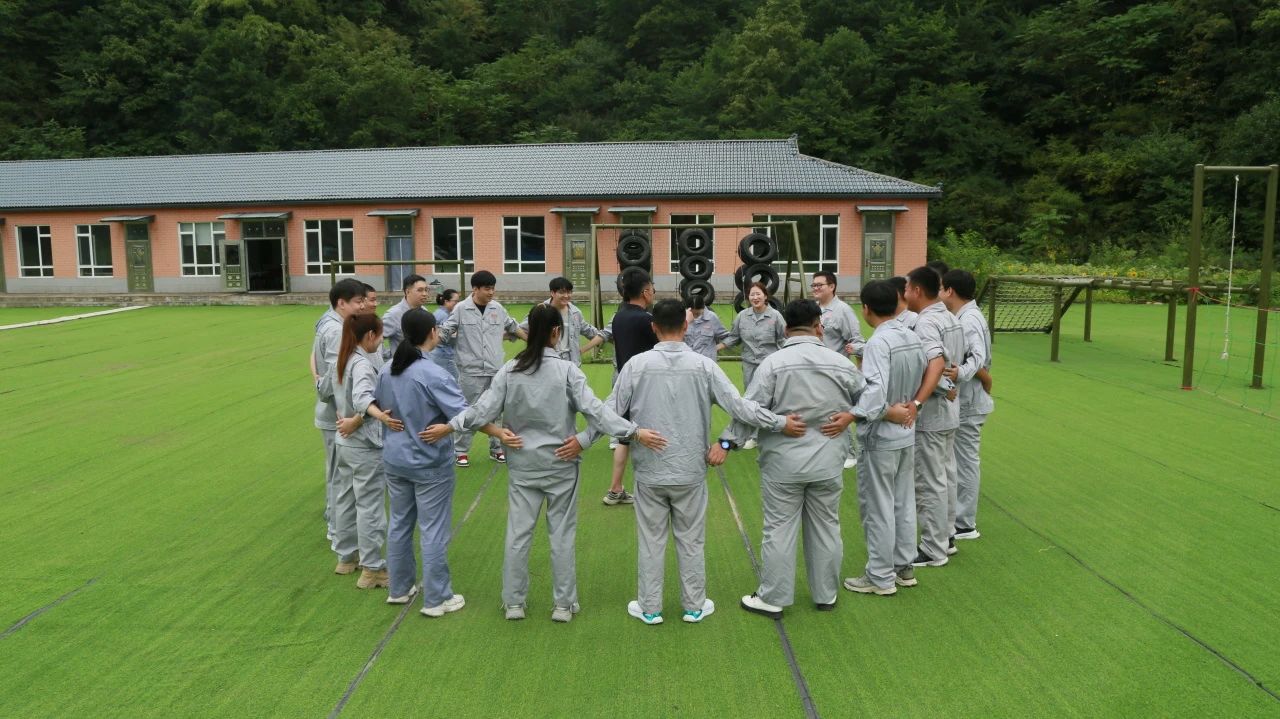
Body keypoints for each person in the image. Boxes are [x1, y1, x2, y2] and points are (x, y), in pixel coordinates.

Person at [564, 299, 805, 625]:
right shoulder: (703, 365)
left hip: (651, 470)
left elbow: (608, 411)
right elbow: (740, 407)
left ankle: (650, 607)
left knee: (651, 541)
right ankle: (694, 605)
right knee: (691, 539)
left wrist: (582, 440)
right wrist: (779, 422)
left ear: (654, 327)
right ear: (686, 325)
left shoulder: (636, 365)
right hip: (690, 469)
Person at [423, 305, 666, 622]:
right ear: (556, 332)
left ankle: (514, 602)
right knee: (562, 536)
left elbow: (480, 411)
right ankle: (563, 605)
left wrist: (450, 426)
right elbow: (597, 412)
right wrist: (634, 432)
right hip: (561, 462)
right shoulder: (566, 371)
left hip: (523, 463)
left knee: (518, 534)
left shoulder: (510, 370)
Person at [723, 299, 866, 618]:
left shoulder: (772, 364)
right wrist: (851, 416)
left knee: (779, 529)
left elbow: (749, 410)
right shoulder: (840, 363)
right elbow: (870, 397)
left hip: (783, 463)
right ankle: (826, 594)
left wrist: (727, 442)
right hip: (828, 460)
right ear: (819, 326)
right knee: (827, 526)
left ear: (785, 328)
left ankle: (773, 597)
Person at [375, 308, 514, 616]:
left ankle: (399, 588)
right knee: (433, 530)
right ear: (432, 332)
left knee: (399, 523)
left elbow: (380, 406)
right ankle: (437, 598)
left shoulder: (387, 369)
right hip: (428, 461)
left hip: (395, 459)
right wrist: (498, 432)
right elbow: (464, 414)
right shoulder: (433, 373)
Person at [835, 280, 928, 596]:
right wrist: (912, 405)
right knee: (903, 501)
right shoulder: (911, 335)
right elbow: (930, 373)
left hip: (881, 436)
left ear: (866, 308)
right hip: (906, 431)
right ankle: (903, 566)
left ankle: (880, 576)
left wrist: (853, 414)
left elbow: (874, 394)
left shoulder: (878, 342)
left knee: (878, 506)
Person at [332, 312, 402, 588]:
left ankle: (346, 557)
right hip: (363, 444)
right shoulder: (361, 364)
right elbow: (363, 398)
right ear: (370, 335)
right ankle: (373, 568)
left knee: (346, 499)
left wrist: (345, 415)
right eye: (381, 335)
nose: (382, 341)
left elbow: (325, 390)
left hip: (344, 443)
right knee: (370, 506)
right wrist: (366, 417)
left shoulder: (342, 358)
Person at [903, 266, 966, 568]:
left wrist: (932, 393)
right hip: (949, 412)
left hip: (932, 412)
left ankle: (933, 547)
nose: (904, 294)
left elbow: (936, 364)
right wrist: (951, 387)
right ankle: (947, 537)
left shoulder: (926, 322)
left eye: (906, 288)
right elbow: (955, 363)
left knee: (930, 481)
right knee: (946, 475)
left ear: (916, 290)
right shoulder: (950, 317)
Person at [438, 270, 528, 467]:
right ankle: (461, 451)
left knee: (497, 410)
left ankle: (497, 448)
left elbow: (513, 327)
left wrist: (532, 342)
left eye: (493, 288)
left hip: (496, 369)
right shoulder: (461, 309)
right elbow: (445, 331)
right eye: (487, 288)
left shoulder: (497, 308)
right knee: (468, 410)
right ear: (475, 289)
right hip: (471, 371)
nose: (491, 292)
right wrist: (428, 342)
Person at [312, 278, 367, 549]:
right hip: (337, 415)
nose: (362, 306)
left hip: (336, 413)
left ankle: (337, 526)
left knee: (339, 474)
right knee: (339, 476)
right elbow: (337, 376)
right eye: (358, 302)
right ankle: (336, 530)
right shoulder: (336, 330)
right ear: (341, 303)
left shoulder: (332, 322)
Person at [940, 270, 994, 541]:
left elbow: (977, 358)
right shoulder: (964, 315)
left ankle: (964, 523)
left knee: (965, 461)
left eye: (941, 288)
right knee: (961, 460)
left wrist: (960, 373)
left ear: (950, 291)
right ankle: (960, 518)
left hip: (970, 400)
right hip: (969, 397)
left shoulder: (969, 319)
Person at [601, 267, 658, 506]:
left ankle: (615, 488)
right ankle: (653, 491)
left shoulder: (619, 316)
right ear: (645, 292)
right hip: (647, 388)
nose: (653, 292)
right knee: (652, 437)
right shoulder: (646, 320)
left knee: (624, 437)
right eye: (652, 289)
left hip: (625, 385)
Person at [717, 282, 785, 449]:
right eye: (752, 295)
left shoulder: (775, 316)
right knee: (751, 401)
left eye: (758, 294)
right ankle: (754, 436)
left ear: (765, 296)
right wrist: (716, 348)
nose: (755, 297)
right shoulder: (742, 316)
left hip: (770, 365)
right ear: (748, 298)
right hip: (749, 365)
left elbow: (783, 340)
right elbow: (734, 337)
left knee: (772, 399)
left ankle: (774, 432)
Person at [809, 270, 866, 469]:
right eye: (813, 285)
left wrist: (858, 363)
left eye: (820, 285)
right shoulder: (814, 309)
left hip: (836, 372)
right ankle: (825, 449)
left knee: (838, 411)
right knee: (818, 411)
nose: (815, 288)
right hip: (815, 369)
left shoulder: (843, 310)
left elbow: (857, 341)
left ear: (832, 286)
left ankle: (851, 453)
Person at [520, 276, 608, 367]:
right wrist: (536, 345)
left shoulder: (575, 313)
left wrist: (582, 350)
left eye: (569, 292)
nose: (566, 296)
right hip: (546, 361)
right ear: (552, 293)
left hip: (571, 362)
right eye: (562, 292)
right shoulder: (541, 310)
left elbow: (591, 332)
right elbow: (520, 330)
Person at [382, 274, 429, 360]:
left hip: (423, 362)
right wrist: (389, 355)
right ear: (407, 292)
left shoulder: (425, 311)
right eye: (420, 290)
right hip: (402, 365)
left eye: (426, 290)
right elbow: (375, 339)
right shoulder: (393, 314)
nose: (425, 294)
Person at [682, 295, 728, 361]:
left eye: (697, 314)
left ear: (703, 308)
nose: (694, 317)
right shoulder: (681, 318)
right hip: (687, 361)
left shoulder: (712, 317)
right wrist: (686, 322)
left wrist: (717, 347)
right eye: (692, 314)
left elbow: (728, 337)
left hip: (707, 361)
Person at [429, 289, 460, 379]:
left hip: (437, 353)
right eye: (455, 301)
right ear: (446, 301)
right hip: (444, 354)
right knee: (455, 380)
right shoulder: (445, 316)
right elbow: (448, 337)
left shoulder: (438, 312)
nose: (457, 304)